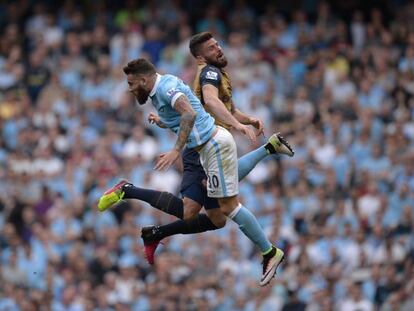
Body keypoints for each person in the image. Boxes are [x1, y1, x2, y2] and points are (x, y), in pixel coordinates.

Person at [103, 57, 287, 286]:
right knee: (211, 214)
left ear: (143, 79)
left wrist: (175, 151)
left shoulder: (169, 87)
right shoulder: (162, 87)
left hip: (208, 148)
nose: (130, 89)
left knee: (221, 211)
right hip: (206, 147)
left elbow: (190, 114)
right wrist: (163, 121)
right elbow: (187, 112)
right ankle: (269, 148)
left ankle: (269, 252)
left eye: (131, 84)